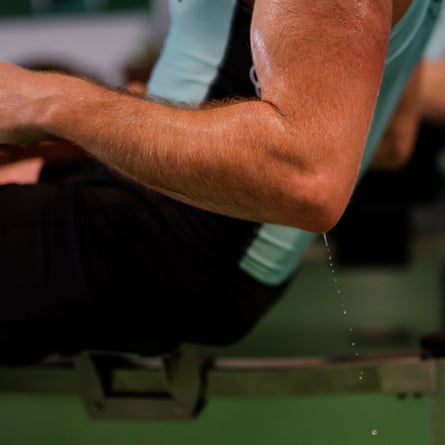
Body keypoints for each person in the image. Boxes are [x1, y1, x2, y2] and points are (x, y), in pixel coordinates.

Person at [0, 0, 441, 364]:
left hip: (179, 237)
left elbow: (306, 178)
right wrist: (139, 118)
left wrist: (50, 102)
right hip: (182, 216)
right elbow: (390, 141)